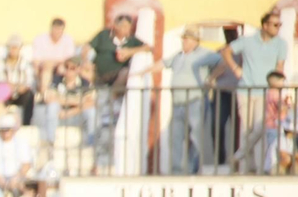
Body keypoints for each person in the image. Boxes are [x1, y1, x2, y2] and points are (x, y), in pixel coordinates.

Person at [219, 10, 290, 175]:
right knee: (246, 130)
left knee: (259, 129)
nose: (277, 28)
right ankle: (247, 168)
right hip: (246, 90)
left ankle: (247, 161)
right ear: (264, 26)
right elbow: (226, 51)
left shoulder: (281, 44)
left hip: (266, 93)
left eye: (279, 25)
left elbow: (279, 68)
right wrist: (236, 69)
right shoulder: (248, 41)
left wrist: (278, 91)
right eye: (274, 25)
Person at [87, 14, 151, 171]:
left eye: (127, 27)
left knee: (109, 123)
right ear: (115, 26)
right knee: (100, 122)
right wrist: (86, 63)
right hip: (101, 84)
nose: (124, 30)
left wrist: (129, 52)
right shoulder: (104, 36)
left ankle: (104, 162)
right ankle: (97, 160)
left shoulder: (131, 40)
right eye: (122, 26)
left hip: (117, 88)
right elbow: (87, 49)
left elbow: (148, 47)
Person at [164, 29, 218, 175]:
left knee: (195, 136)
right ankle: (176, 170)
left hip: (195, 100)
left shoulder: (205, 54)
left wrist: (211, 78)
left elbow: (222, 62)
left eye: (187, 39)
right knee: (175, 136)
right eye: (183, 39)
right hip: (177, 102)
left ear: (195, 41)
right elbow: (163, 63)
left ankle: (193, 168)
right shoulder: (178, 55)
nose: (184, 41)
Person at [0, 35, 35, 126]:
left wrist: (17, 87)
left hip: (20, 93)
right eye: (12, 47)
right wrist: (16, 86)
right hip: (6, 92)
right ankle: (1, 124)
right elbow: (0, 81)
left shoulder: (26, 63)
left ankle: (26, 124)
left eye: (16, 47)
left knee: (30, 95)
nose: (13, 50)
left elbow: (28, 82)